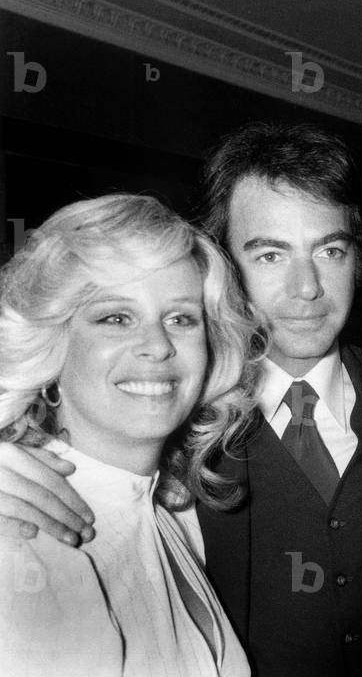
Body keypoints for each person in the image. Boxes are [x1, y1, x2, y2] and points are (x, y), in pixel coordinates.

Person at [0, 123, 362, 676]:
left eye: (330, 250)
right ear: (223, 268)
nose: (307, 287)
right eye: (269, 255)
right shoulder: (173, 423)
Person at [0, 194, 254, 676]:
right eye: (116, 318)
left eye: (181, 318)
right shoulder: (26, 539)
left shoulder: (169, 513)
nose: (157, 346)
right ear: (51, 344)